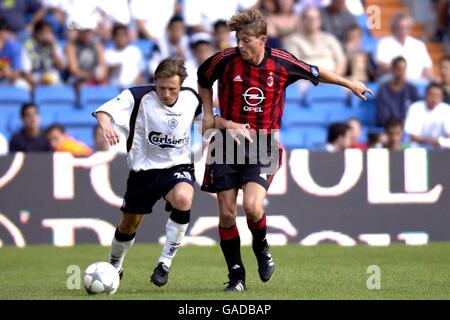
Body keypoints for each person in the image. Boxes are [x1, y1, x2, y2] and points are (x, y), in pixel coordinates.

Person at [197, 9, 372, 292]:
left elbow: (315, 72)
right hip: (225, 143)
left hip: (263, 142)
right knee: (227, 215)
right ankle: (236, 276)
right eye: (238, 40)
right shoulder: (224, 60)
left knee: (253, 207)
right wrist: (209, 114)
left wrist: (349, 82)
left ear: (263, 39)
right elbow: (203, 78)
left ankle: (262, 248)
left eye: (246, 41)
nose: (239, 46)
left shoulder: (281, 62)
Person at [93, 58, 203, 288]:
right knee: (129, 224)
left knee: (184, 197)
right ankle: (115, 264)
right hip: (143, 171)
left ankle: (165, 263)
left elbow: (208, 120)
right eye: (161, 88)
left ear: (181, 85)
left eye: (172, 89)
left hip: (177, 166)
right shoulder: (137, 96)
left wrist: (228, 125)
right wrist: (105, 125)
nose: (166, 94)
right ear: (155, 82)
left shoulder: (192, 99)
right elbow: (104, 111)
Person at [283, 7, 347, 76]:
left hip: (331, 79)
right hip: (305, 81)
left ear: (320, 21)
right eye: (308, 18)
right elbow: (292, 65)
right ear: (302, 20)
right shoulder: (293, 40)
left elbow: (341, 61)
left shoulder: (330, 39)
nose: (312, 21)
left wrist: (335, 79)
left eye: (315, 18)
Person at [375, 13, 434, 81]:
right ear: (393, 28)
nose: (403, 31)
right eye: (400, 27)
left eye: (406, 27)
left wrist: (432, 79)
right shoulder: (384, 43)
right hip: (393, 81)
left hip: (417, 82)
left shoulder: (419, 45)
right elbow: (381, 64)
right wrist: (401, 74)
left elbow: (427, 67)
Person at [375, 56, 419, 127]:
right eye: (398, 69)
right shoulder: (383, 89)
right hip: (388, 128)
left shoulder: (412, 89)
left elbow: (415, 113)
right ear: (392, 70)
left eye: (403, 69)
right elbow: (381, 115)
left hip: (407, 128)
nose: (401, 72)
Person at [404, 83, 450, 148]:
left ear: (442, 97)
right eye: (432, 95)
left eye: (437, 96)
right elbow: (412, 136)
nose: (434, 98)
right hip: (418, 148)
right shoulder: (415, 108)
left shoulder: (447, 109)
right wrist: (432, 141)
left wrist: (439, 142)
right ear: (425, 94)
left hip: (441, 148)